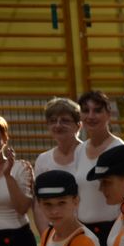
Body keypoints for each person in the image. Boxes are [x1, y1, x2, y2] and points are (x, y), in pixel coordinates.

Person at [74, 90, 124, 246]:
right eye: (85, 110)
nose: (91, 116)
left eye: (97, 110)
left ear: (108, 114)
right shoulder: (80, 150)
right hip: (84, 232)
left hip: (109, 232)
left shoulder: (118, 148)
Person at [0, 116, 37, 246]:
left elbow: (22, 207)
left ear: (4, 138)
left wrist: (8, 176)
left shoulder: (21, 167)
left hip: (18, 241)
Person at [34, 97, 83, 233]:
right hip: (55, 231)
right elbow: (38, 204)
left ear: (79, 125)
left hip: (87, 229)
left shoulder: (89, 155)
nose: (58, 125)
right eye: (53, 121)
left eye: (65, 120)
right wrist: (46, 236)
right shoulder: (43, 160)